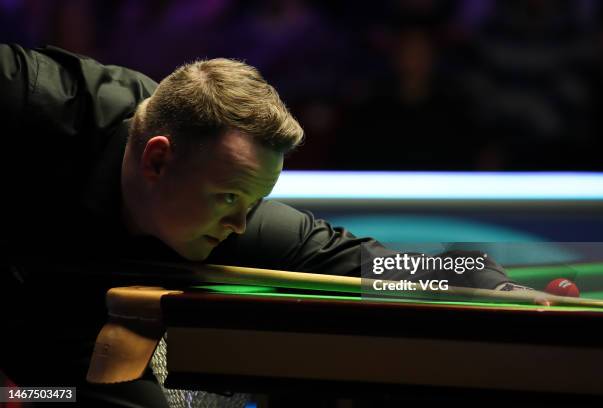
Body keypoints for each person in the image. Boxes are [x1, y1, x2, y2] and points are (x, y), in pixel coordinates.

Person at [0, 44, 523, 407]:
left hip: (63, 358)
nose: (240, 222)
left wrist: (481, 282)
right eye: (229, 196)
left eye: (255, 200)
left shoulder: (227, 220)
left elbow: (362, 262)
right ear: (157, 162)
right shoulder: (33, 98)